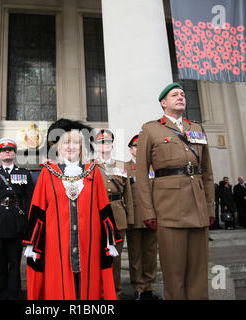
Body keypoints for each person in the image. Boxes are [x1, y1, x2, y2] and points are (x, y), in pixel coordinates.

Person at [23, 118, 121, 300]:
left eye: (76, 142)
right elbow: (37, 209)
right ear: (58, 147)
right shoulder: (47, 172)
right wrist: (32, 242)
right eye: (66, 142)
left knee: (88, 286)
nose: (71, 147)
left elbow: (104, 209)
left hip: (89, 242)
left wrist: (110, 239)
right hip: (55, 243)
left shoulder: (93, 172)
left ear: (82, 147)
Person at [135, 82, 215, 300]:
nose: (180, 97)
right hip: (168, 210)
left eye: (182, 94)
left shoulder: (196, 129)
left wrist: (210, 208)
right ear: (164, 103)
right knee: (174, 273)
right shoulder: (150, 129)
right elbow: (141, 175)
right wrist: (148, 212)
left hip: (198, 208)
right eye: (174, 95)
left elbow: (207, 173)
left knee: (199, 273)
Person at [0, 138, 33, 300]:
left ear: (14, 153)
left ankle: (14, 296)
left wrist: (29, 226)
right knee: (1, 264)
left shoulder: (24, 173)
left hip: (17, 223)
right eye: (4, 150)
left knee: (15, 264)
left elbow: (29, 199)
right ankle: (2, 296)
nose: (7, 152)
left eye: (10, 150)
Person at [93, 128, 134, 299]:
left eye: (108, 142)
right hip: (98, 215)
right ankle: (98, 292)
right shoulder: (91, 166)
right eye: (102, 142)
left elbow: (129, 195)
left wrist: (130, 217)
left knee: (115, 259)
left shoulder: (121, 165)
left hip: (117, 215)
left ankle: (114, 292)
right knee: (97, 257)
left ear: (112, 145)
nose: (105, 145)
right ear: (96, 145)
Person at [125, 134, 161, 300]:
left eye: (141, 147)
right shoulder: (125, 168)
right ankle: (138, 286)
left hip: (152, 217)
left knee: (150, 254)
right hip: (136, 217)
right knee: (136, 255)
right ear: (131, 150)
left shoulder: (153, 168)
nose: (138, 150)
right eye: (135, 147)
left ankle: (149, 286)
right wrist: (129, 218)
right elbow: (126, 195)